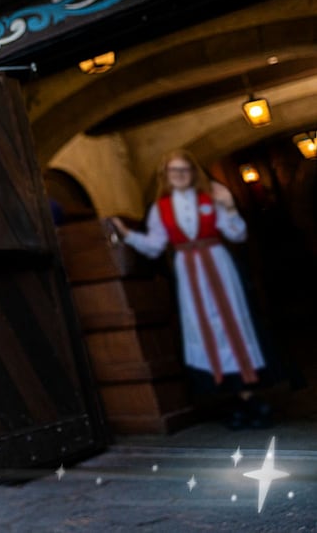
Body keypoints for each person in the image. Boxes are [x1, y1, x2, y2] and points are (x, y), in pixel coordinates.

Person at [110, 149, 272, 429]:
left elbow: (238, 234)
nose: (180, 176)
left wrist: (230, 206)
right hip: (188, 271)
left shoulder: (211, 198)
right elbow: (154, 245)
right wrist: (127, 235)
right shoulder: (160, 209)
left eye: (185, 170)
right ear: (166, 176)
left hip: (219, 266)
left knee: (231, 324)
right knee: (204, 327)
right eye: (174, 171)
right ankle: (234, 400)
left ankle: (249, 398)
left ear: (193, 172)